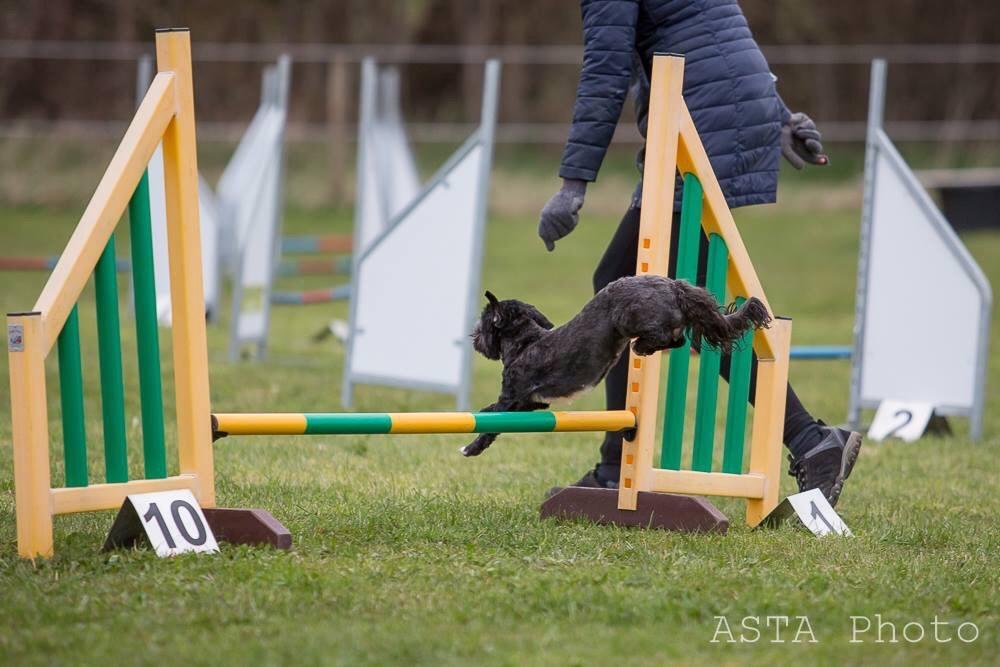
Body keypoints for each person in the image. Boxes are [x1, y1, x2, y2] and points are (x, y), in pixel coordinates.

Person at [538, 0, 862, 506]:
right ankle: (615, 464)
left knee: (643, 288)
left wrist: (573, 184)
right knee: (634, 281)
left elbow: (606, 66)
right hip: (726, 102)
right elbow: (712, 32)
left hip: (700, 117)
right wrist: (774, 116)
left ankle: (808, 439)